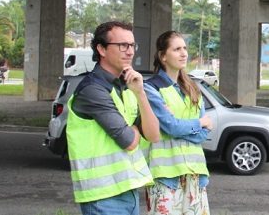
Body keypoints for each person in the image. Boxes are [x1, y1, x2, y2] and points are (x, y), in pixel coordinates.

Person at [66, 21, 160, 215]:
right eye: (122, 45)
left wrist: (141, 93)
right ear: (101, 49)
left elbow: (153, 135)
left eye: (132, 45)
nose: (130, 51)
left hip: (129, 188)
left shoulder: (126, 87)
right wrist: (134, 130)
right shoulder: (93, 90)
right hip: (103, 196)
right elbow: (130, 141)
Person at [142, 30, 213, 215]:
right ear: (163, 56)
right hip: (166, 177)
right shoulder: (151, 88)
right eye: (177, 49)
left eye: (184, 48)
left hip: (195, 174)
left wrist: (181, 125)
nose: (184, 53)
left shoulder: (193, 88)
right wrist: (198, 123)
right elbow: (171, 127)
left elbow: (205, 133)